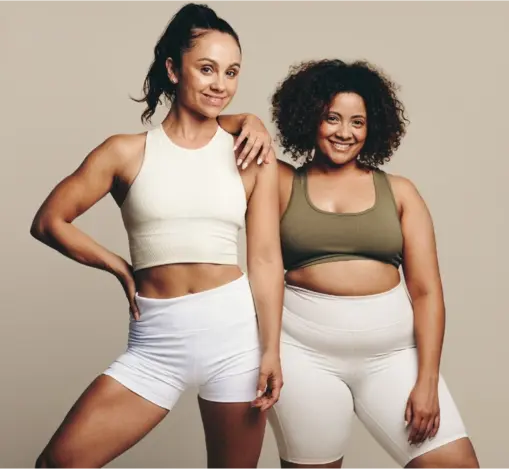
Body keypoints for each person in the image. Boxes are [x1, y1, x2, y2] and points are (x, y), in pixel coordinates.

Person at [30, 4, 283, 469]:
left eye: (231, 72)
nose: (219, 84)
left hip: (234, 339)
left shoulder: (251, 156)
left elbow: (265, 260)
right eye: (206, 69)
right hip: (157, 342)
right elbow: (49, 221)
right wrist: (118, 266)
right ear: (172, 69)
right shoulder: (124, 152)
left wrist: (271, 349)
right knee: (59, 463)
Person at [222, 59, 480, 468]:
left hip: (394, 358)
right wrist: (246, 119)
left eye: (357, 122)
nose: (345, 132)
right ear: (310, 119)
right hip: (302, 358)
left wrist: (428, 381)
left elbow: (428, 293)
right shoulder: (282, 182)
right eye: (332, 118)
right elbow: (201, 128)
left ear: (373, 126)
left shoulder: (400, 192)